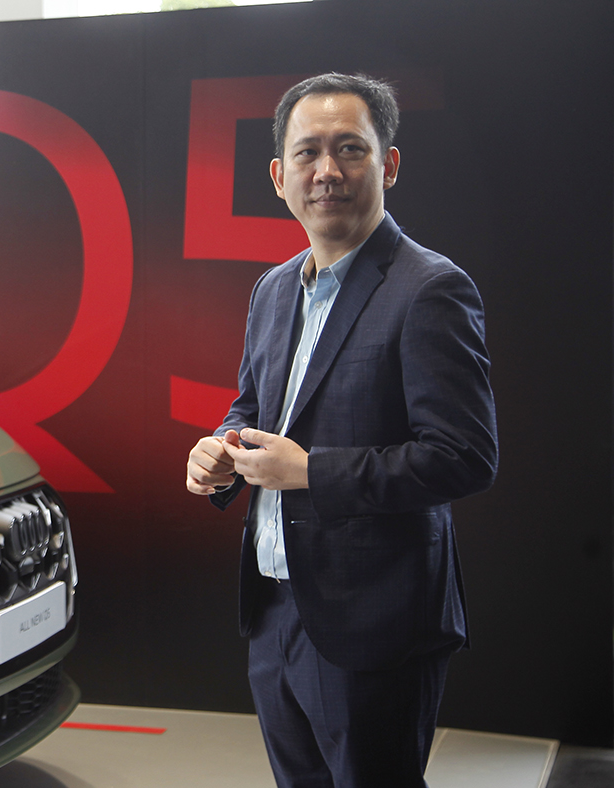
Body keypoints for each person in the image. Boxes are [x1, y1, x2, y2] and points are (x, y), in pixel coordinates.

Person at [184, 73, 498, 788]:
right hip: (273, 611)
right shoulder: (272, 290)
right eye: (308, 152)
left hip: (376, 624)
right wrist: (223, 449)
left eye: (350, 149)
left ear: (389, 165)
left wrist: (309, 472)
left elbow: (464, 456)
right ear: (279, 176)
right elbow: (253, 408)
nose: (327, 170)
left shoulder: (430, 289)